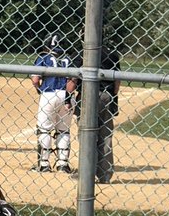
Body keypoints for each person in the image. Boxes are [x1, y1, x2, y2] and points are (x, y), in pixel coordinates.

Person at [69, 43, 122, 184]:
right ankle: (105, 175)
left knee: (87, 135)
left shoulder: (82, 53)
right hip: (107, 95)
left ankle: (86, 174)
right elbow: (117, 83)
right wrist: (111, 97)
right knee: (105, 136)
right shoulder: (112, 54)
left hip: (87, 96)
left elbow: (72, 82)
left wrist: (69, 97)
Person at [31, 36, 75, 173]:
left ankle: (44, 164)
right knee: (63, 130)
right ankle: (63, 164)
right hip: (67, 95)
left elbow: (35, 79)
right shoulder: (70, 59)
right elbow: (73, 80)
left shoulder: (44, 57)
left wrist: (38, 89)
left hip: (49, 94)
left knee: (44, 129)